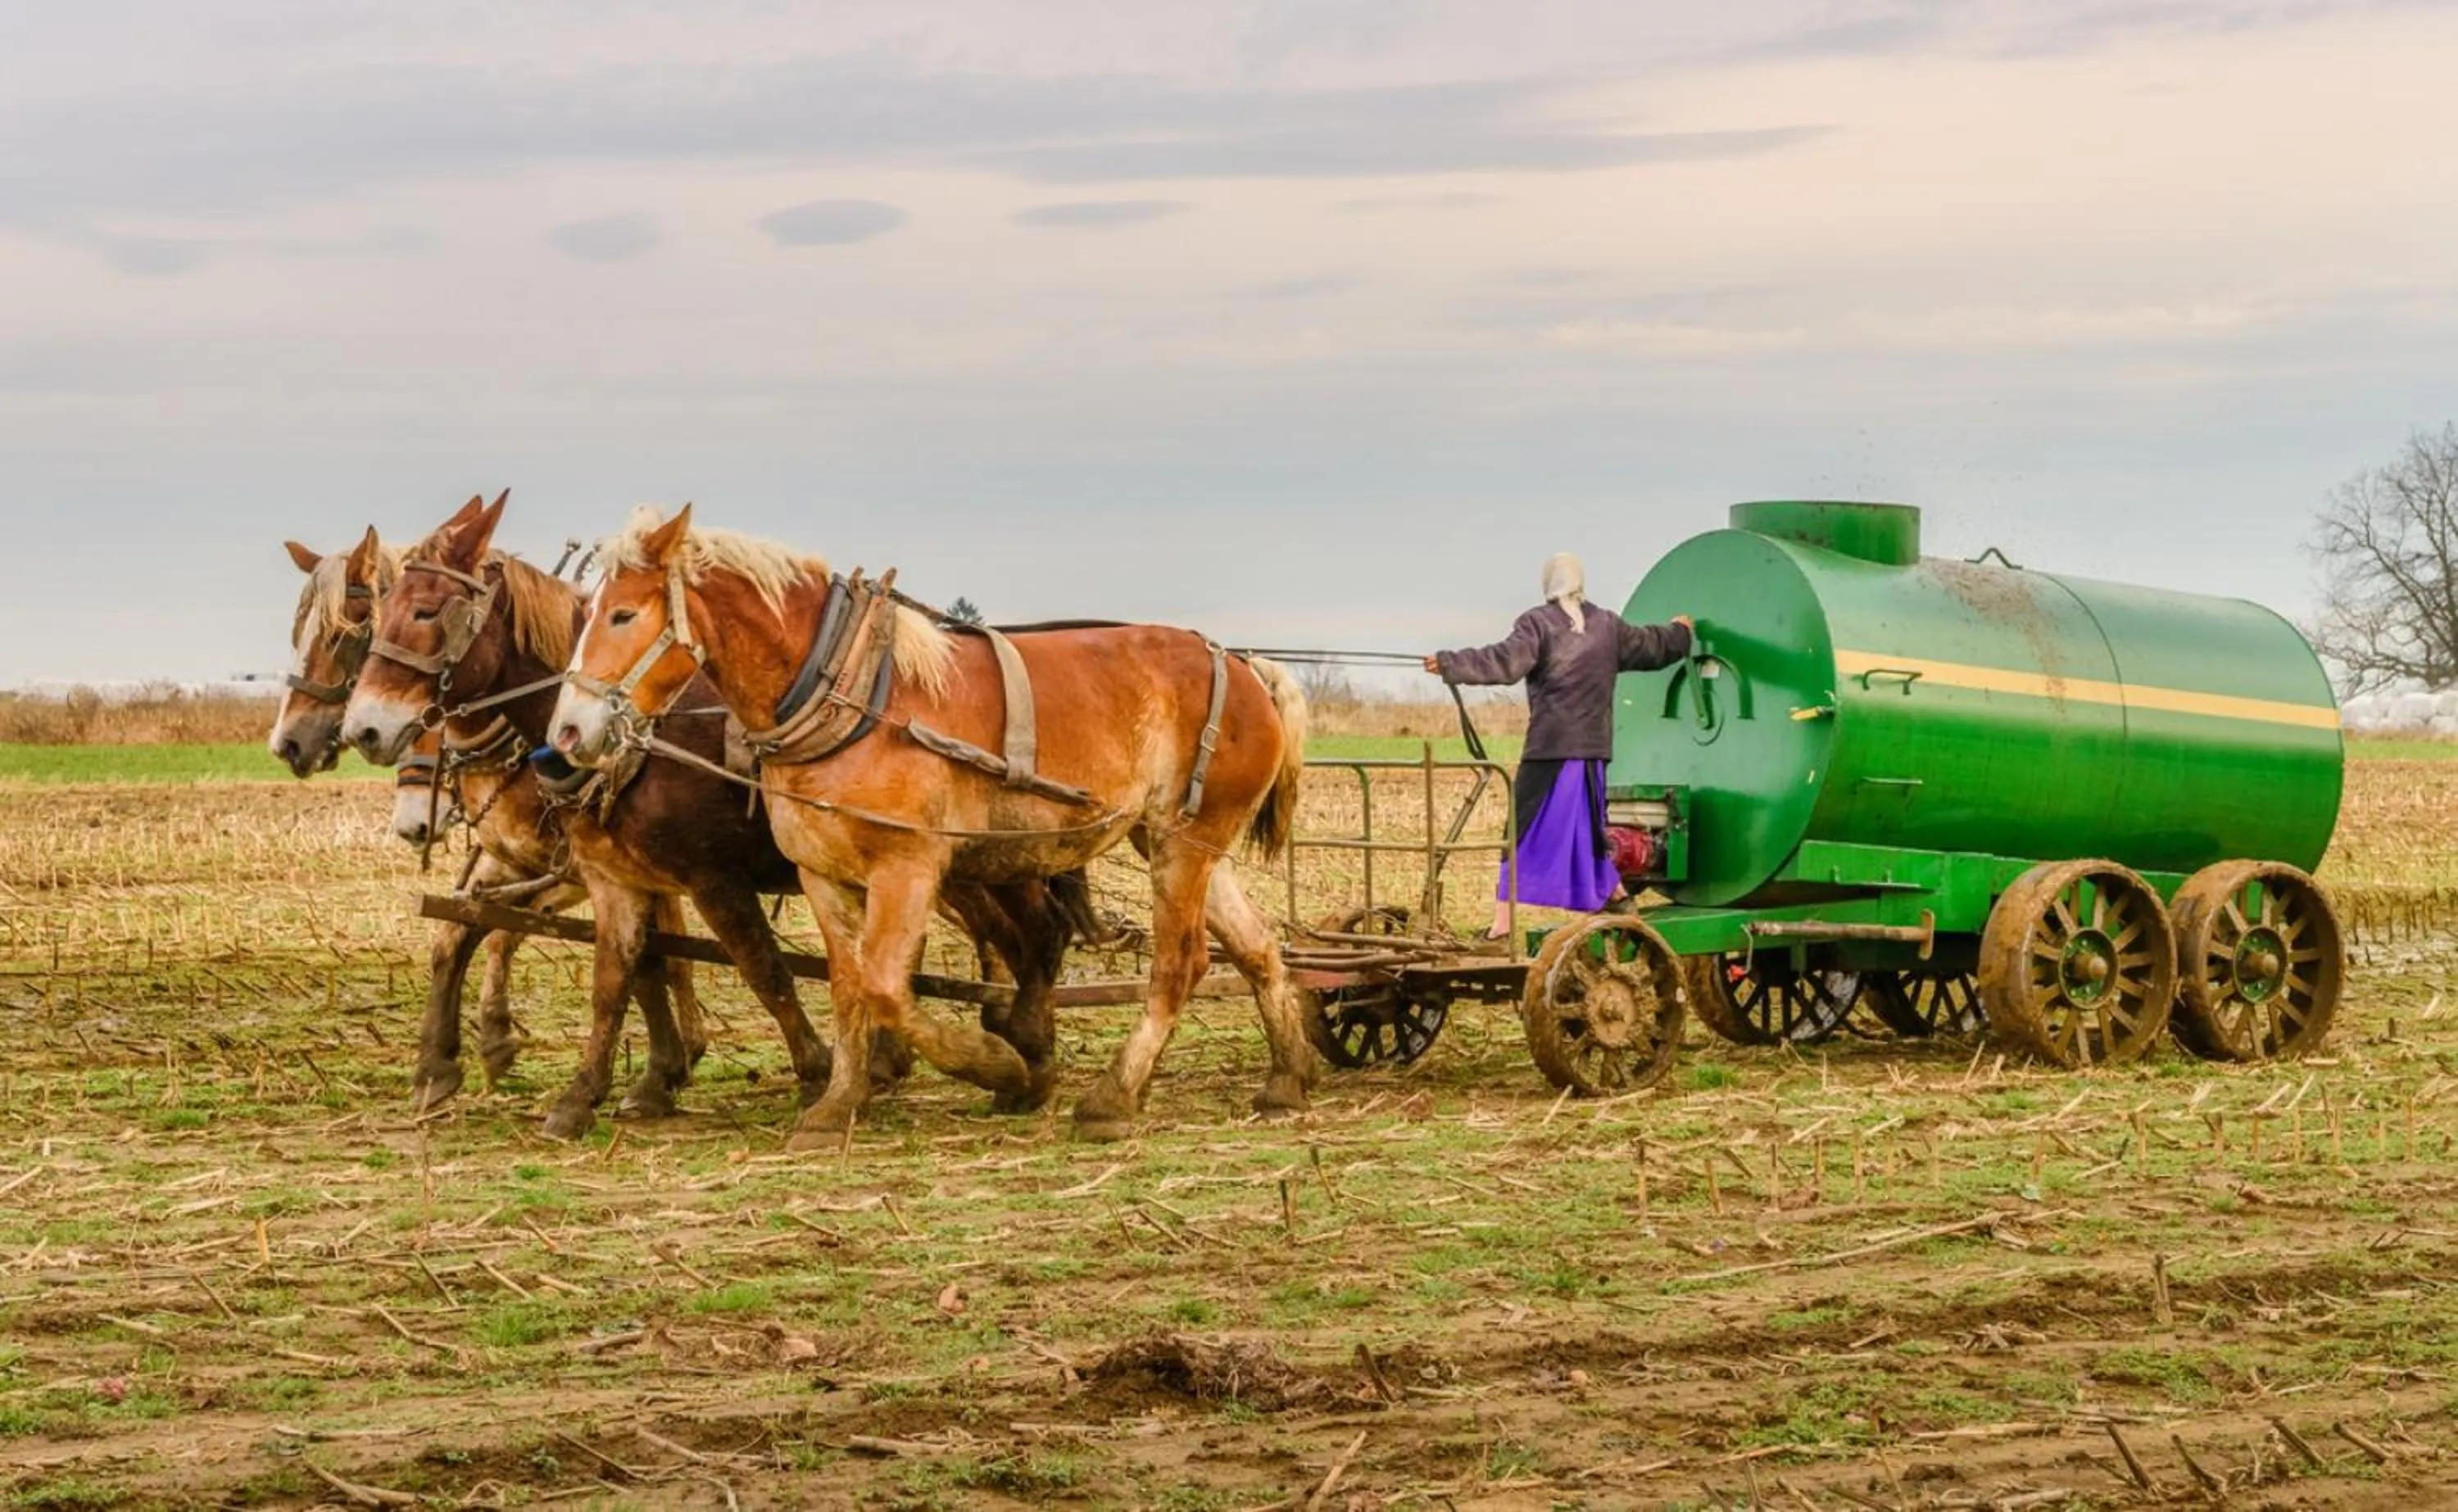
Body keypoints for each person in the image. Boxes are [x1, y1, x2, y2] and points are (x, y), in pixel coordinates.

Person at [1426, 553, 1693, 937]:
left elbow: (1504, 661)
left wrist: (1449, 663)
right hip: (1593, 752)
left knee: (1519, 833)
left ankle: (1501, 928)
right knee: (1588, 827)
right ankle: (1617, 896)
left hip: (1550, 749)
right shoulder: (1607, 626)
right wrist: (1680, 633)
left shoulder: (1537, 623)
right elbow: (1652, 646)